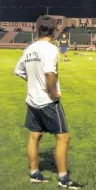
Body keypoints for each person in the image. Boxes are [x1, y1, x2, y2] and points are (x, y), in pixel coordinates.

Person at [14, 16, 81, 189]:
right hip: (47, 102)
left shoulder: (29, 49)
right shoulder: (50, 49)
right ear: (54, 31)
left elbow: (19, 71)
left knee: (34, 135)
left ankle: (34, 173)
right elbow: (50, 73)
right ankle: (63, 179)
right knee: (63, 137)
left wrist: (33, 83)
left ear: (38, 30)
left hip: (32, 100)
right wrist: (53, 94)